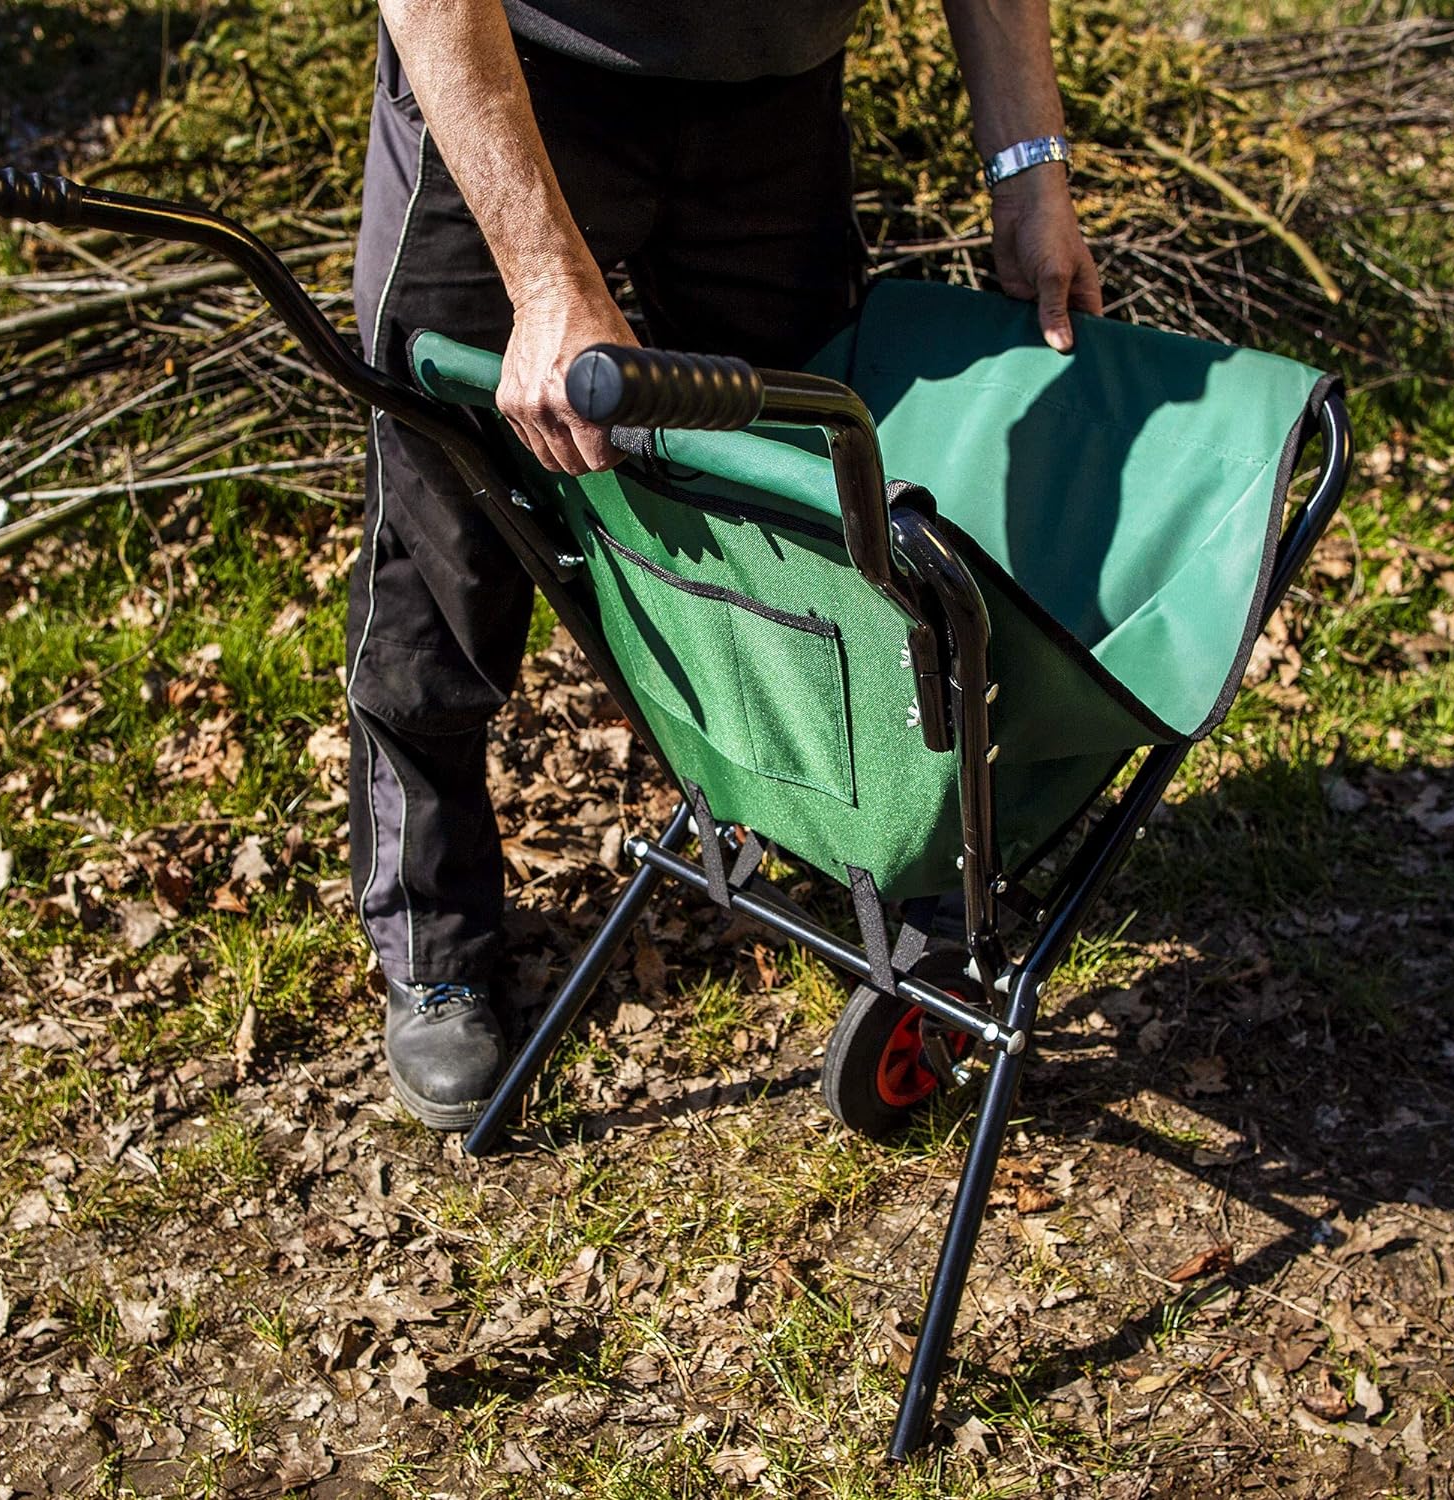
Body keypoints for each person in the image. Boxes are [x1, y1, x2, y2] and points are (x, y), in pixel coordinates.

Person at [349, 0, 1103, 1131]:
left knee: (804, 509)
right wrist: (547, 278)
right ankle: (434, 936)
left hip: (772, 96)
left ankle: (853, 845)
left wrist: (1031, 176)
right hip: (513, 77)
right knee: (450, 535)